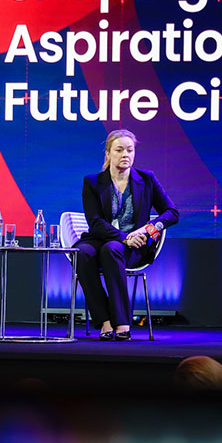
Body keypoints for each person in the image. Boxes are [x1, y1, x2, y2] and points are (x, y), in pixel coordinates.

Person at [77, 129, 179, 341]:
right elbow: (95, 223)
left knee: (111, 249)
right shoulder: (93, 182)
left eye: (130, 150)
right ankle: (104, 321)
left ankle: (122, 322)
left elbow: (172, 213)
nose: (125, 154)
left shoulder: (146, 179)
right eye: (119, 150)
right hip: (102, 238)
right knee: (82, 253)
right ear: (108, 154)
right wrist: (124, 237)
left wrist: (147, 229)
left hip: (135, 246)